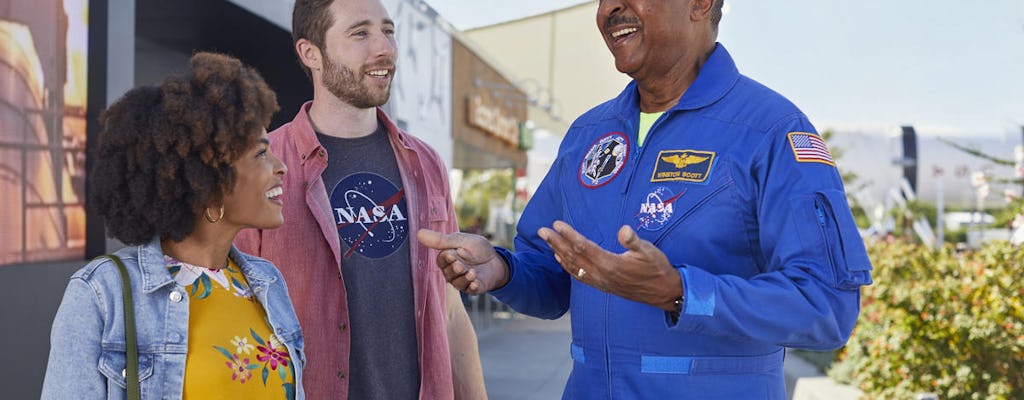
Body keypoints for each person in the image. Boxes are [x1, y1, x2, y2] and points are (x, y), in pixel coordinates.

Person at [417, 0, 874, 398]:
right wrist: (501, 270)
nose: (609, 8)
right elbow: (552, 279)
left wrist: (682, 293)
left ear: (700, 3)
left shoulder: (771, 130)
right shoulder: (587, 135)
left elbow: (828, 305)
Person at [233, 0, 486, 398]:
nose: (384, 48)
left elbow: (450, 311)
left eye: (388, 30)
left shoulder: (426, 163)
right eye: (360, 33)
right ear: (310, 52)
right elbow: (235, 317)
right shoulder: (263, 164)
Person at [42, 52, 304, 399]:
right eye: (260, 154)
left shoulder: (267, 282)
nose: (281, 167)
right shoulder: (100, 294)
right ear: (209, 179)